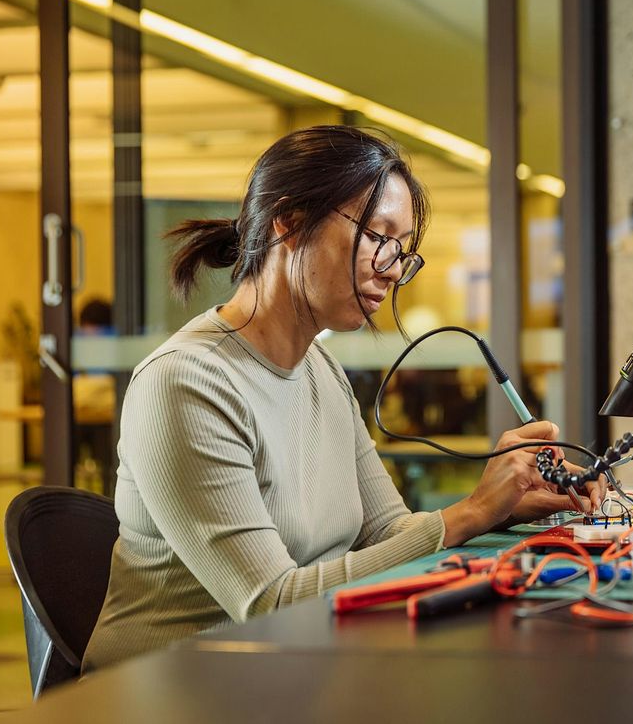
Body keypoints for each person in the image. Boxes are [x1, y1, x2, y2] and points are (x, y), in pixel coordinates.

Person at [83, 126, 603, 672]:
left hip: (287, 672)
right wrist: (467, 515)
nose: (394, 269)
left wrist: (499, 507)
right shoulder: (186, 383)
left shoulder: (320, 370)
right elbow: (269, 603)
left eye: (402, 250)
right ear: (290, 221)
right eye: (378, 237)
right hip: (171, 697)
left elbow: (386, 531)